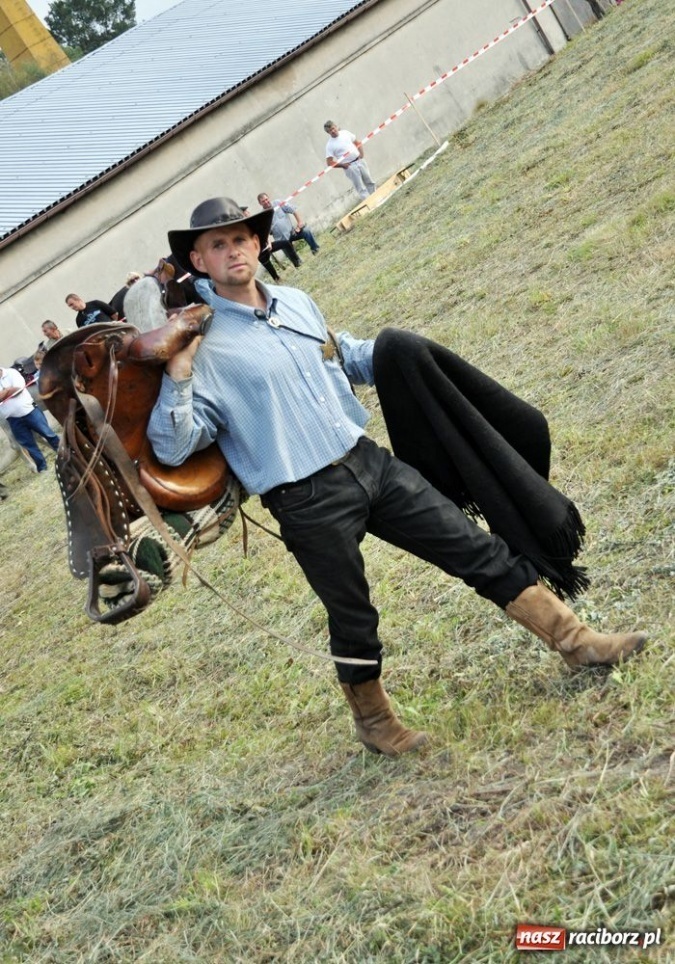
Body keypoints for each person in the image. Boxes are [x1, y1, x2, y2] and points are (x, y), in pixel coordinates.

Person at [147, 198, 647, 758]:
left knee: (473, 548)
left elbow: (339, 359)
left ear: (260, 244)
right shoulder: (202, 345)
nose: (233, 250)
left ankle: (576, 642)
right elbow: (174, 444)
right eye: (218, 244)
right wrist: (181, 371)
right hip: (305, 498)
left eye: (241, 238)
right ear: (198, 258)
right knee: (354, 615)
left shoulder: (295, 302)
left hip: (367, 462)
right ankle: (375, 722)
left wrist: (394, 351)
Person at [0, 364, 60, 472]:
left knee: (48, 434)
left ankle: (65, 454)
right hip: (12, 419)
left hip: (29, 411)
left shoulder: (12, 373)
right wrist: (8, 390)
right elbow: (11, 391)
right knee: (29, 445)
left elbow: (18, 389)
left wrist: (4, 393)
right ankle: (42, 468)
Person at [324, 120, 376, 200]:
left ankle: (375, 196)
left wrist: (361, 154)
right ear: (328, 133)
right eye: (330, 131)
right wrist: (343, 165)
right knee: (360, 187)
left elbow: (356, 142)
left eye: (333, 128)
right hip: (350, 167)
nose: (333, 131)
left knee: (369, 181)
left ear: (336, 126)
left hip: (359, 160)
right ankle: (369, 202)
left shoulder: (345, 133)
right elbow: (329, 162)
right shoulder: (330, 145)